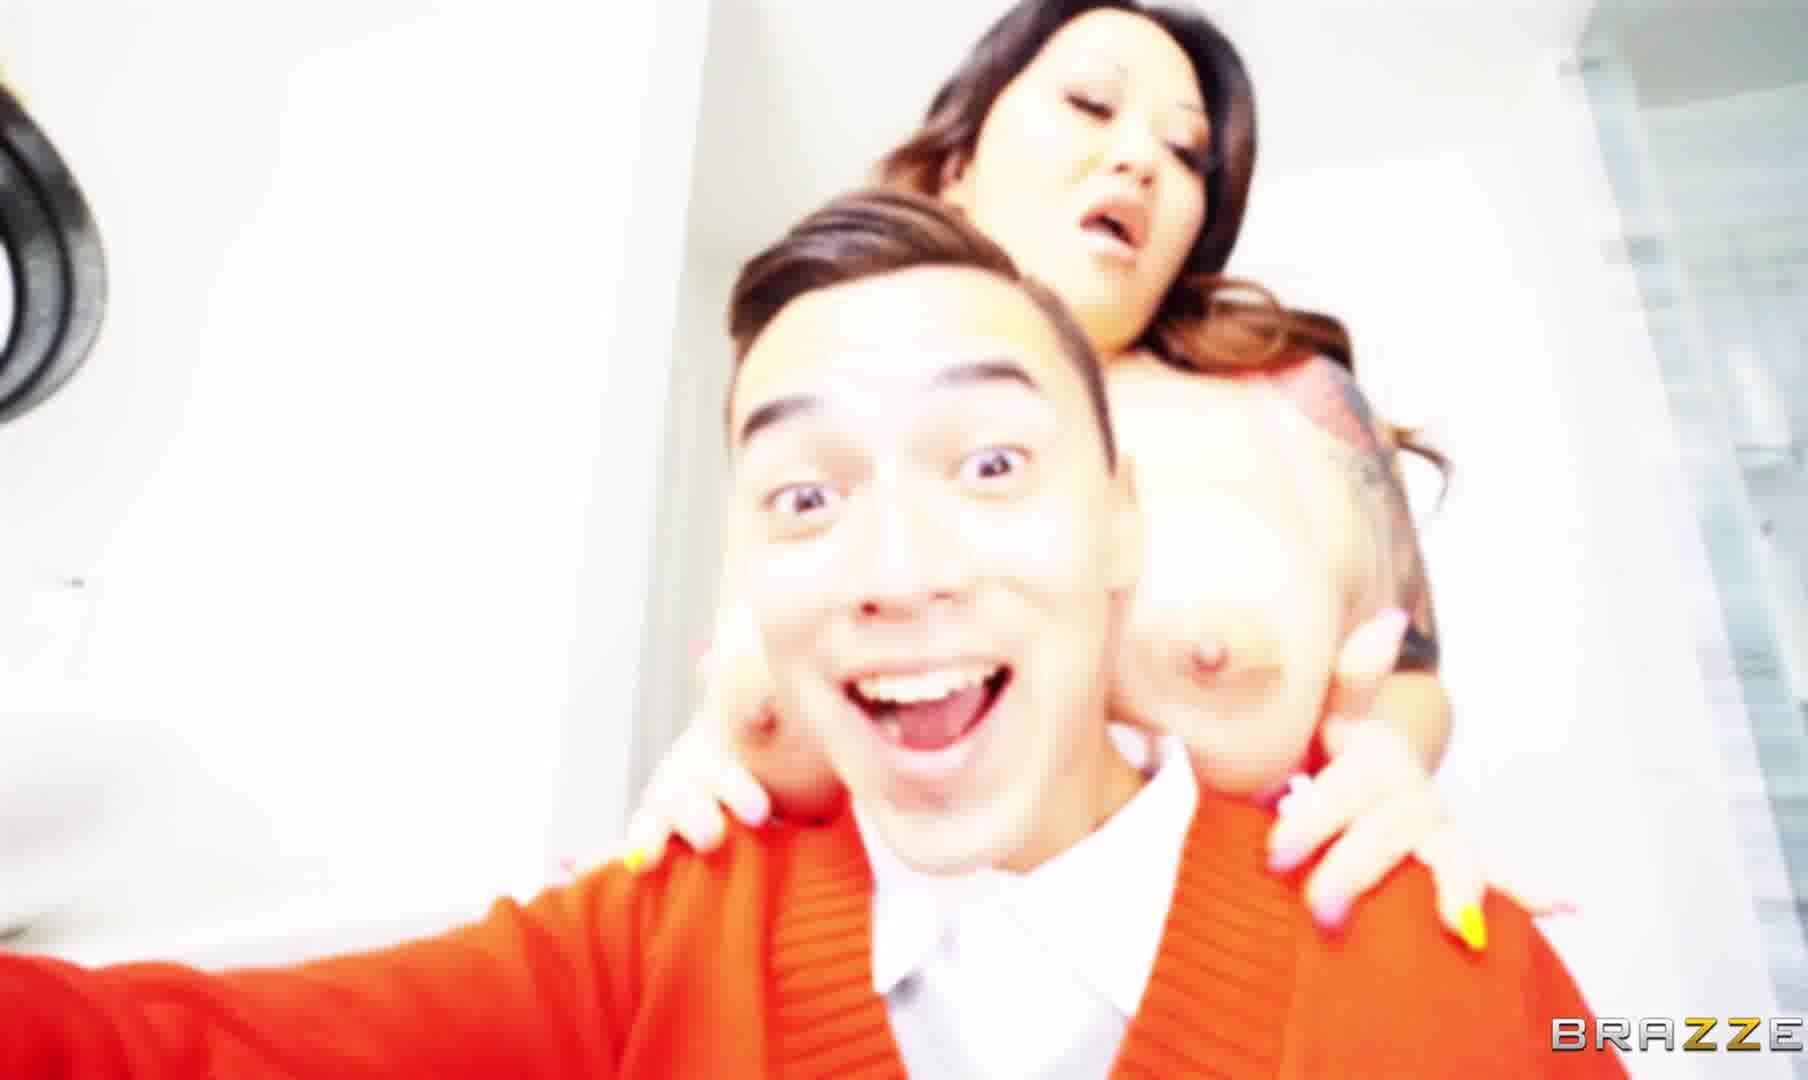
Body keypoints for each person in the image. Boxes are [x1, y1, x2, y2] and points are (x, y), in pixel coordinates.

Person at [0, 188, 1622, 1079]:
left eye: (991, 465)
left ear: (1124, 526)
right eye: (803, 494)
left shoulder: (1444, 963)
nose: (894, 570)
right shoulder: (647, 948)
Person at [619, 0, 1552, 945]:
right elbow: (749, 683)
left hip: (1237, 973)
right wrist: (709, 756)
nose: (1141, 159)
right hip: (809, 975)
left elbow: (1404, 674)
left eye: (1185, 154)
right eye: (1092, 104)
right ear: (958, 162)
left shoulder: (1298, 406)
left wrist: (1387, 759)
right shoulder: (809, 403)